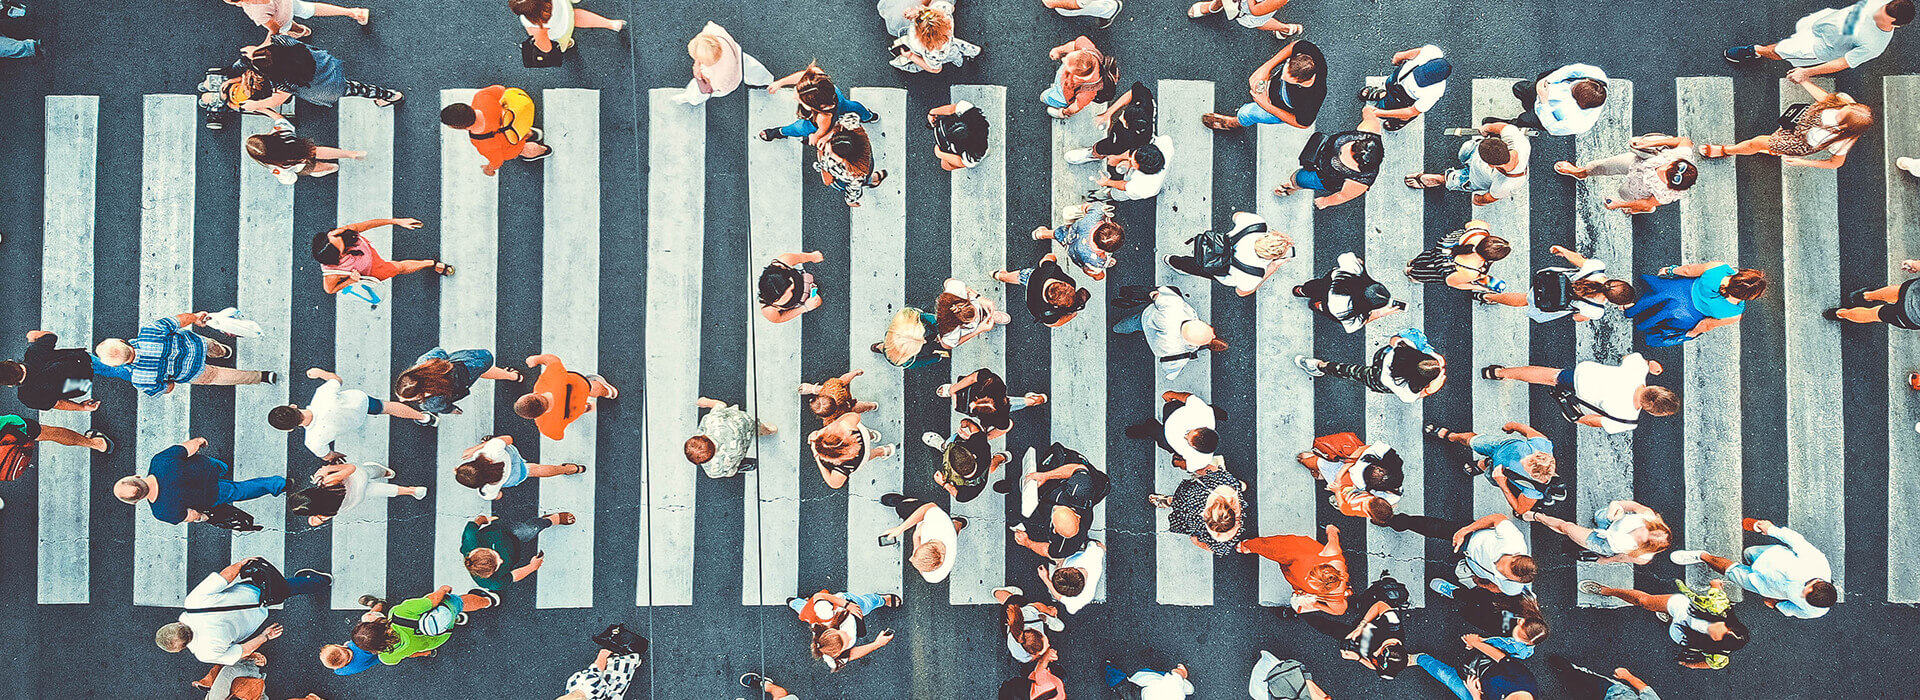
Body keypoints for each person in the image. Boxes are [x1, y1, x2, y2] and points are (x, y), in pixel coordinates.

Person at [156, 557, 330, 664]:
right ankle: (322, 581)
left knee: (286, 591)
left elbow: (243, 651)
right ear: (177, 623)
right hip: (251, 591)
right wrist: (241, 563)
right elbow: (224, 577)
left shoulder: (205, 653)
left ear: (181, 648)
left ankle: (316, 582)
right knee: (287, 587)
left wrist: (266, 635)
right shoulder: (193, 603)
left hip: (258, 614)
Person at [1670, 517, 1836, 619]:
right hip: (1769, 557)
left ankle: (1701, 556)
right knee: (1748, 553)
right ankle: (1740, 559)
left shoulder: (1815, 610)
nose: (1800, 593)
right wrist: (1771, 529)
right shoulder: (1817, 563)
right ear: (1819, 581)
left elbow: (1792, 610)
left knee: (1730, 571)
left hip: (1761, 585)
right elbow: (1797, 541)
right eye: (1805, 589)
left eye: (1803, 596)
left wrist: (1777, 605)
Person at [1704, 75, 1871, 169]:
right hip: (1796, 123)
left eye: (1841, 115)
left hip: (1798, 142)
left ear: (1846, 126)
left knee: (1756, 143)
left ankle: (1726, 150)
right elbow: (1826, 100)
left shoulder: (1843, 141)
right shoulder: (1845, 103)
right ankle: (1772, 150)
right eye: (1843, 108)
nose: (1838, 110)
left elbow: (1835, 163)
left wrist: (1802, 162)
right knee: (1769, 145)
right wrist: (1805, 81)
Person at [1483, 355, 1679, 433]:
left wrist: (1648, 364)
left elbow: (1627, 357)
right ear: (1654, 411)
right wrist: (1577, 419)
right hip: (1583, 394)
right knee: (1553, 381)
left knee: (1551, 375)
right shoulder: (1628, 421)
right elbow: (1593, 420)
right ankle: (1500, 373)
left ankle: (1499, 372)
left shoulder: (1637, 370)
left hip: (1584, 373)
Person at [1579, 579, 1748, 669]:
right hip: (1684, 609)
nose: (1720, 627)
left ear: (1717, 642)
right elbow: (1716, 587)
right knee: (1643, 601)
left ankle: (1667, 616)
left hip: (1680, 632)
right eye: (1726, 626)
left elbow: (1711, 664)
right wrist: (1716, 584)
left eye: (1721, 633)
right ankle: (1606, 591)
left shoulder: (1720, 654)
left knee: (1669, 622)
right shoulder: (1721, 609)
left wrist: (1691, 665)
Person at [94, 311, 277, 395]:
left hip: (193, 372)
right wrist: (196, 317)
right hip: (195, 345)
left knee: (221, 376)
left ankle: (263, 377)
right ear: (121, 341)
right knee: (211, 346)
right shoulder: (149, 331)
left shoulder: (140, 380)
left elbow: (169, 388)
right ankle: (224, 352)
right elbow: (180, 321)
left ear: (120, 365)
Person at [269, 367, 432, 461]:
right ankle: (424, 417)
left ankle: (423, 418)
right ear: (293, 406)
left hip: (354, 422)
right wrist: (319, 373)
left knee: (384, 409)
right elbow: (336, 379)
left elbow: (328, 456)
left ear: (290, 429)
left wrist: (336, 456)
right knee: (386, 407)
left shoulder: (312, 442)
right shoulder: (321, 395)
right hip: (360, 402)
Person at [115, 437, 286, 525]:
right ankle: (224, 469)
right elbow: (189, 447)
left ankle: (277, 484)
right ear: (136, 476)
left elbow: (193, 515)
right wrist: (199, 441)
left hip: (212, 495)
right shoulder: (159, 461)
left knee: (240, 490)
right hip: (207, 468)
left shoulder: (162, 512)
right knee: (220, 467)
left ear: (136, 502)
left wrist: (204, 517)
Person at [1724, 0, 1912, 76]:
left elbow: (1842, 63)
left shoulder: (1875, 45)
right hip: (1823, 21)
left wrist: (1807, 72)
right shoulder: (1883, 2)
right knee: (1798, 30)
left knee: (1780, 50)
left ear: (1896, 25)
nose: (1877, 12)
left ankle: (1757, 51)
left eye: (1882, 16)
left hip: (1819, 47)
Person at [1425, 422, 1562, 516]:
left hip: (1502, 473)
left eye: (1524, 464)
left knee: (1490, 472)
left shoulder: (1535, 490)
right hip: (1500, 446)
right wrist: (1513, 426)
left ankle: (1483, 464)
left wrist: (1503, 484)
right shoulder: (1541, 446)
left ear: (1533, 475)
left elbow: (1520, 509)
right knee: (1472, 440)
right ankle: (1451, 436)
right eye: (1528, 457)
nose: (1522, 459)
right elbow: (1527, 431)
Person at [1293, 572, 1411, 680]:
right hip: (1368, 619)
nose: (1374, 654)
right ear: (1394, 644)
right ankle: (1350, 601)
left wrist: (1357, 658)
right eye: (1379, 652)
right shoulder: (1394, 625)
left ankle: (1302, 614)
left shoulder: (1387, 667)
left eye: (1377, 658)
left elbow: (1375, 666)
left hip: (1359, 639)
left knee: (1328, 628)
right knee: (1362, 603)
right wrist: (1361, 626)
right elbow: (1380, 605)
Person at [236, 35, 401, 112]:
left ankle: (390, 96)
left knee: (354, 89)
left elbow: (277, 99)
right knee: (352, 86)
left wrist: (255, 105)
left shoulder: (282, 82)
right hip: (326, 65)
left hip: (326, 87)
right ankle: (388, 95)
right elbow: (273, 42)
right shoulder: (283, 43)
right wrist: (257, 52)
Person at [1387, 512, 1536, 596]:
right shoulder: (1513, 540)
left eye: (1504, 574)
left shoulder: (1513, 587)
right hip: (1470, 537)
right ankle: (1398, 521)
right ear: (1516, 555)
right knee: (1435, 528)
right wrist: (1465, 530)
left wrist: (1482, 584)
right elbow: (1497, 519)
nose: (1498, 568)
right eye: (1504, 565)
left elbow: (1499, 588)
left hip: (1471, 563)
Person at [1476, 245, 1634, 323]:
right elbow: (1577, 318)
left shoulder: (1597, 267)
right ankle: (1489, 297)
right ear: (1613, 302)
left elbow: (1578, 260)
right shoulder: (1596, 311)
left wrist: (1563, 251)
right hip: (1551, 300)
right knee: (1524, 300)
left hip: (1551, 280)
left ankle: (1488, 295)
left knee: (1525, 297)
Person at [355, 585, 501, 666]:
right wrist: (442, 590)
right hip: (438, 615)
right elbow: (433, 601)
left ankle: (455, 620)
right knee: (458, 603)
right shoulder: (399, 613)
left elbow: (410, 655)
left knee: (445, 621)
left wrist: (426, 653)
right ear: (377, 624)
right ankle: (489, 601)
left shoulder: (386, 658)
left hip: (438, 638)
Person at [1011, 443, 1112, 560]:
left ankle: (1015, 488)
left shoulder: (1067, 546)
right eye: (1057, 509)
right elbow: (1078, 468)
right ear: (1075, 514)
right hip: (1087, 483)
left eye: (1054, 526)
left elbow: (1050, 551)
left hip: (1061, 492)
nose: (1056, 507)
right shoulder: (1079, 490)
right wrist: (1046, 476)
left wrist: (1028, 543)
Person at [1627, 262, 1766, 346]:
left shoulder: (1719, 268)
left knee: (1657, 297)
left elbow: (1688, 270)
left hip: (1677, 289)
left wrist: (1670, 270)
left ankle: (1634, 307)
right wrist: (1691, 334)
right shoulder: (1735, 313)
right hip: (1684, 314)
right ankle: (1645, 323)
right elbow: (1707, 324)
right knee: (1668, 321)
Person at [1554, 134, 1699, 214]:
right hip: (1638, 163)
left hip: (1641, 187)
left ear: (1669, 184)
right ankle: (1580, 172)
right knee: (1604, 166)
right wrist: (1648, 144)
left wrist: (1620, 204)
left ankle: (1644, 211)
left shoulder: (1667, 193)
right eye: (1668, 166)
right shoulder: (1682, 155)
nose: (1662, 168)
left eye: (1664, 175)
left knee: (1623, 192)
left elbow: (1646, 201)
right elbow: (1684, 141)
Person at [1295, 327, 1446, 403]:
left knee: (1352, 371)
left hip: (1383, 357)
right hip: (1378, 379)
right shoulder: (1408, 390)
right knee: (1352, 372)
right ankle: (1319, 366)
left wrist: (1429, 353)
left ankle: (1319, 365)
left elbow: (1394, 340)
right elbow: (1417, 395)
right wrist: (1431, 390)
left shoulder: (1406, 348)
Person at [1202, 40, 1326, 130]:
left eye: (1287, 79)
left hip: (1279, 108)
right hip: (1275, 95)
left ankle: (1232, 123)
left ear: (1301, 83)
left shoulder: (1314, 97)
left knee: (1247, 112)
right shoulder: (1310, 54)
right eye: (1284, 71)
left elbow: (1302, 124)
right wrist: (1266, 68)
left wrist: (1266, 105)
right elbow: (1295, 45)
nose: (1281, 78)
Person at [311, 217, 450, 298]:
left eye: (340, 237)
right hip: (371, 269)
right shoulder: (332, 273)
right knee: (398, 267)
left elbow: (368, 224)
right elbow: (329, 290)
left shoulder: (338, 234)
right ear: (338, 257)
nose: (344, 239)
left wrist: (396, 221)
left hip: (366, 252)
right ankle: (430, 263)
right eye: (343, 249)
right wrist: (350, 281)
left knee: (396, 266)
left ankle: (430, 264)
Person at [1276, 107, 1385, 209]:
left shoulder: (1361, 181)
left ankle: (1293, 187)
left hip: (1323, 177)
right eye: (1354, 145)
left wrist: (1325, 202)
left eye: (1353, 156)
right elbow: (1368, 111)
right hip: (1320, 151)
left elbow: (1343, 196)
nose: (1344, 151)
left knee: (1299, 178)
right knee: (1300, 173)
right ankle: (1292, 186)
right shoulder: (1370, 131)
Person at [1167, 211, 1295, 297]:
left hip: (1217, 245)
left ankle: (1173, 261)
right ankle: (1177, 263)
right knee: (1201, 268)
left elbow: (1236, 215)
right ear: (1273, 257)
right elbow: (1242, 292)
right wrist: (1273, 267)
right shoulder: (1254, 275)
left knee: (1194, 260)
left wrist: (1278, 236)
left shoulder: (1256, 224)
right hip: (1221, 268)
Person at [1113, 285, 1226, 380]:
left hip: (1146, 318)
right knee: (1135, 325)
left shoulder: (1175, 308)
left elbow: (1157, 295)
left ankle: (1117, 328)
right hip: (1154, 337)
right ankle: (1118, 329)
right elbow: (1170, 368)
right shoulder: (1178, 350)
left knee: (1131, 324)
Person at [1407, 122, 1529, 206]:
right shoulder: (1520, 143)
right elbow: (1503, 128)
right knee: (1466, 150)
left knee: (1459, 180)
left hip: (1479, 177)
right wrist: (1487, 128)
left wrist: (1478, 199)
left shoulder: (1506, 184)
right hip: (1474, 157)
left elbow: (1487, 198)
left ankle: (1441, 179)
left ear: (1491, 165)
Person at [440, 85, 549, 177]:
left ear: (460, 127)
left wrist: (489, 169)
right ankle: (531, 133)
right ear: (469, 107)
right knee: (520, 131)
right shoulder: (481, 97)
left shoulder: (481, 142)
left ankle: (544, 150)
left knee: (526, 149)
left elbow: (497, 160)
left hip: (512, 144)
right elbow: (501, 89)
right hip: (513, 121)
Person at [1240, 525, 1350, 615]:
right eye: (1310, 576)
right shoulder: (1335, 594)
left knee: (1277, 549)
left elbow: (1333, 539)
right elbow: (1339, 610)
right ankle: (1250, 546)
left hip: (1301, 563)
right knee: (1276, 546)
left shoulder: (1333, 554)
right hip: (1302, 553)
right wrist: (1315, 604)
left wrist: (1331, 529)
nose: (1307, 577)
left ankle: (1249, 546)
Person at [759, 63, 880, 144]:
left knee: (798, 127)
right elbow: (803, 76)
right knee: (851, 106)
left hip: (818, 119)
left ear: (820, 107)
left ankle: (780, 132)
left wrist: (815, 137)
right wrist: (780, 83)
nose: (794, 97)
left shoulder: (823, 117)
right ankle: (868, 116)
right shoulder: (817, 77)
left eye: (801, 100)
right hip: (836, 96)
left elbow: (822, 130)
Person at [1427, 577, 1550, 656]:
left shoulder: (1523, 649)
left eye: (1524, 640)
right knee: (1472, 597)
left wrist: (1479, 642)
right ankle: (1454, 592)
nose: (1517, 639)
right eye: (1519, 635)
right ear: (1522, 621)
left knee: (1470, 614)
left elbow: (1499, 648)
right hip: (1495, 602)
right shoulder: (1525, 601)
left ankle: (1463, 597)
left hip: (1491, 623)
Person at [1299, 433, 1403, 524]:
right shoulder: (1391, 459)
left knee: (1306, 459)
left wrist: (1337, 489)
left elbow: (1344, 508)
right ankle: (1321, 470)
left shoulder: (1362, 499)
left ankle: (1317, 466)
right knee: (1318, 462)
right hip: (1349, 464)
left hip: (1347, 484)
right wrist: (1341, 472)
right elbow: (1363, 449)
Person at [394, 347, 524, 420]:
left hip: (465, 380)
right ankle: (513, 376)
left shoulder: (430, 402)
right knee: (481, 370)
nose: (400, 400)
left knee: (480, 373)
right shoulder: (425, 362)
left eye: (408, 398)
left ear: (421, 393)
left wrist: (453, 410)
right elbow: (440, 352)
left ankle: (512, 376)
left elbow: (444, 407)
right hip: (469, 362)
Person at [1524, 501, 1670, 565]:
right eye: (1644, 527)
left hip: (1604, 541)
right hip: (1611, 520)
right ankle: (1599, 518)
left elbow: (1621, 557)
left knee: (1567, 528)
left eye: (1640, 536)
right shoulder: (1647, 516)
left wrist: (1605, 560)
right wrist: (1616, 507)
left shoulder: (1642, 558)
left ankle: (1538, 516)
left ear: (1643, 546)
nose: (1637, 530)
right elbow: (1630, 505)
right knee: (1599, 515)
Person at [788, 590, 901, 672]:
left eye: (842, 633)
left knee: (867, 604)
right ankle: (793, 603)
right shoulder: (832, 656)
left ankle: (882, 600)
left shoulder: (825, 614)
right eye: (846, 641)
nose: (848, 634)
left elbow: (819, 596)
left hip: (849, 606)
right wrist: (877, 644)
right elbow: (851, 654)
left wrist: (847, 605)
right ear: (838, 652)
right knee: (804, 610)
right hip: (855, 619)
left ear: (832, 631)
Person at [462, 512, 576, 592]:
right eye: (498, 565)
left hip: (505, 531)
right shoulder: (491, 583)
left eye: (496, 556)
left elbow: (477, 521)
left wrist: (485, 519)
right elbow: (514, 575)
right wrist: (532, 567)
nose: (501, 560)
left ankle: (550, 519)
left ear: (483, 549)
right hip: (513, 554)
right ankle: (543, 521)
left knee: (528, 531)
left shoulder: (470, 539)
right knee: (527, 534)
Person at [289, 462, 426, 527]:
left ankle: (412, 491)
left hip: (356, 497)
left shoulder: (324, 512)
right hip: (358, 479)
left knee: (379, 490)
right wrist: (328, 469)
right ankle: (386, 473)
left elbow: (313, 522)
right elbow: (350, 468)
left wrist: (313, 517)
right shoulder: (328, 483)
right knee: (369, 470)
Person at [517, 353, 618, 440]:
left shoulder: (546, 427)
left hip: (574, 410)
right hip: (581, 386)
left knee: (576, 408)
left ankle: (586, 407)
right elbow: (553, 360)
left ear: (537, 416)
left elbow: (559, 436)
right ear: (534, 394)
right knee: (592, 387)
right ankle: (610, 392)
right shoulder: (548, 381)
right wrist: (535, 359)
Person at [1296, 253, 1405, 333]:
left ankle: (1302, 291)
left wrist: (1359, 262)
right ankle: (1315, 305)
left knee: (1314, 286)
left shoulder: (1354, 273)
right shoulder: (1347, 309)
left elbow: (1344, 257)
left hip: (1331, 284)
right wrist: (1380, 313)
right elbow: (1351, 328)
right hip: (1328, 305)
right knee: (1320, 306)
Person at [1151, 466, 1247, 556]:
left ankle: (1170, 501)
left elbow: (1206, 468)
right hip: (1198, 497)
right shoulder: (1224, 542)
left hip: (1197, 497)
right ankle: (1169, 501)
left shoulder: (1225, 482)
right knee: (1182, 501)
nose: (1202, 513)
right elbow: (1198, 541)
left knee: (1181, 502)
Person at [455, 435, 584, 500]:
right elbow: (508, 439)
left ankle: (568, 469)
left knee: (535, 471)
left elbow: (498, 495)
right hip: (511, 458)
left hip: (514, 475)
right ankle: (570, 468)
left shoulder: (487, 490)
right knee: (498, 443)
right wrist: (475, 449)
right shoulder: (488, 453)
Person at [675, 22, 774, 106]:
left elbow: (707, 90)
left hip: (731, 81)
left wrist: (698, 77)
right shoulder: (715, 32)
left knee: (696, 92)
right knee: (752, 68)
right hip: (736, 55)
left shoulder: (710, 73)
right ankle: (766, 79)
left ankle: (689, 99)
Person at [3, 330, 102, 413]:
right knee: (111, 365)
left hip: (81, 386)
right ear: (11, 361)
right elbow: (51, 336)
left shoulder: (26, 397)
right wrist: (32, 336)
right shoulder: (34, 352)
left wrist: (82, 407)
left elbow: (58, 403)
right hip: (83, 361)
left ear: (10, 385)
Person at [1124, 390, 1223, 473]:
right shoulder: (1204, 412)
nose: (1185, 436)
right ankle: (1218, 412)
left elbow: (1185, 465)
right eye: (1189, 432)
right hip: (1173, 411)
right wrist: (1171, 394)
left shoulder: (1201, 461)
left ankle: (1144, 429)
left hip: (1166, 438)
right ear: (1203, 427)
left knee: (1151, 430)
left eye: (1188, 440)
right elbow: (1188, 397)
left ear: (1197, 449)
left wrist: (1177, 462)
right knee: (1203, 407)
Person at [1496, 64, 1608, 137]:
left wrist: (1544, 102)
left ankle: (1505, 126)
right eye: (1573, 86)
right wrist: (1547, 81)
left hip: (1543, 114)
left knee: (1523, 120)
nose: (1569, 88)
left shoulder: (1579, 123)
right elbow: (1568, 70)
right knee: (1518, 88)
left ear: (1582, 105)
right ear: (1588, 80)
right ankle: (1528, 105)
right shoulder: (1597, 75)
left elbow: (1552, 127)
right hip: (1544, 87)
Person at [1405, 221, 1513, 294]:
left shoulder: (1480, 230)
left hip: (1442, 251)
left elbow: (1469, 224)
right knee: (1427, 274)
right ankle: (1412, 273)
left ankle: (1414, 263)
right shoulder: (1472, 271)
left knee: (1427, 256)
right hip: (1444, 267)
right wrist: (1478, 287)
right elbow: (1452, 282)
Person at [1362, 45, 1450, 132]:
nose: (1416, 78)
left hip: (1404, 97)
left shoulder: (1435, 93)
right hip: (1397, 79)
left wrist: (1379, 113)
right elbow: (1413, 53)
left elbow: (1411, 111)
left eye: (1422, 80)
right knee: (1388, 83)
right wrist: (1399, 56)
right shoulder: (1433, 52)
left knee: (1385, 107)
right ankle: (1383, 95)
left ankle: (1401, 121)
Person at [1065, 81, 1156, 165]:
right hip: (1130, 133)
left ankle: (1094, 154)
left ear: (1128, 126)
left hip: (1123, 142)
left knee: (1104, 147)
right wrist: (1108, 113)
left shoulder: (1129, 139)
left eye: (1124, 120)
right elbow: (1132, 93)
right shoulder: (1145, 100)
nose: (1120, 118)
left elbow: (1126, 149)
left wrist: (1117, 157)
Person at [685, 396, 776, 479]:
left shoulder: (713, 470)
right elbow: (721, 405)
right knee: (752, 426)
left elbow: (728, 473)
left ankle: (743, 465)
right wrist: (706, 402)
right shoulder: (712, 422)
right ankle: (766, 430)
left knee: (731, 470)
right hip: (744, 425)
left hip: (739, 450)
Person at [939, 368, 1044, 441]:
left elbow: (1008, 426)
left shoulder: (998, 416)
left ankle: (1034, 400)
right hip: (1002, 404)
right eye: (976, 400)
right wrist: (954, 389)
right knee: (1010, 403)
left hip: (1001, 407)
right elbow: (972, 378)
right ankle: (1036, 400)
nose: (971, 405)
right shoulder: (992, 383)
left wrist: (980, 437)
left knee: (1010, 404)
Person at [245, 121, 364, 184]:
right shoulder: (280, 133)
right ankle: (351, 154)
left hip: (301, 165)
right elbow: (282, 122)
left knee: (318, 167)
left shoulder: (275, 166)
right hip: (302, 148)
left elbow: (290, 179)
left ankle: (330, 167)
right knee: (319, 151)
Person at [1032, 200, 1124, 281]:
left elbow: (1086, 206)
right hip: (1075, 254)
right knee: (1099, 271)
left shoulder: (1095, 216)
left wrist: (1088, 210)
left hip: (1070, 235)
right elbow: (1095, 275)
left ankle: (1040, 234)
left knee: (1058, 233)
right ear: (1107, 251)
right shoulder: (1097, 260)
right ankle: (1107, 261)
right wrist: (1095, 272)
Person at [881, 0, 981, 73]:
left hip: (941, 53)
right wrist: (923, 14)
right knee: (954, 49)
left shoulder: (926, 48)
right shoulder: (942, 8)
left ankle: (958, 59)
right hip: (948, 41)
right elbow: (951, 8)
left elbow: (936, 69)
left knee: (949, 55)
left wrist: (911, 56)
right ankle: (970, 53)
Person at [921, 419, 1007, 503]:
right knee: (990, 465)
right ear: (973, 456)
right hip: (984, 460)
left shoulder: (969, 491)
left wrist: (944, 484)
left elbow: (959, 496)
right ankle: (1002, 457)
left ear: (953, 469)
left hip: (979, 464)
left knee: (951, 442)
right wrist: (968, 423)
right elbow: (977, 431)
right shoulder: (980, 445)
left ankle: (944, 447)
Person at [996, 253, 1091, 327]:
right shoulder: (1046, 312)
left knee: (1018, 276)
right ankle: (1000, 276)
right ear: (1054, 304)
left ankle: (999, 275)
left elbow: (1047, 258)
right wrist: (1072, 315)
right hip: (1031, 298)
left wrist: (1052, 256)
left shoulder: (1051, 269)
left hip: (1032, 277)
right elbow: (1053, 323)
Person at [814, 114, 889, 208]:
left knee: (845, 185)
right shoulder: (858, 138)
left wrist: (850, 201)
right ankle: (872, 179)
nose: (828, 148)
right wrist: (830, 134)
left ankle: (870, 180)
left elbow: (854, 189)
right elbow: (851, 118)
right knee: (862, 178)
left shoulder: (853, 173)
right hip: (866, 166)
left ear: (843, 159)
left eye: (832, 152)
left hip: (847, 175)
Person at [808, 410, 896, 489]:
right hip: (859, 436)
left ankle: (882, 451)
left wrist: (816, 456)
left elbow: (834, 484)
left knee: (868, 455)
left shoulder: (842, 465)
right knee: (864, 434)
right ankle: (872, 435)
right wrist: (827, 430)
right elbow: (855, 415)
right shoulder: (845, 426)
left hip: (860, 459)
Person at [1412, 646, 1538, 700]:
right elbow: (1502, 659)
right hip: (1484, 675)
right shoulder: (1524, 681)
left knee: (1446, 676)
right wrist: (1476, 643)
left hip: (1478, 693)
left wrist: (1476, 695)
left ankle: (1420, 659)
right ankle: (1419, 659)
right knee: (1447, 677)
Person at [510, 0, 624, 56]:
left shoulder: (532, 24)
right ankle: (611, 24)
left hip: (562, 30)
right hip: (565, 9)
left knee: (563, 42)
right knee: (577, 15)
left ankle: (568, 43)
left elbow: (545, 46)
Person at [1829, 259, 1920, 327]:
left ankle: (1866, 296)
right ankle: (1839, 314)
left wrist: (1914, 264)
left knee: (1899, 292)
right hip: (1911, 315)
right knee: (1874, 314)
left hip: (1913, 291)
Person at [1042, 36, 1111, 119]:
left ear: (1079, 77)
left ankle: (1060, 113)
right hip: (1066, 81)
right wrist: (1059, 50)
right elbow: (1074, 45)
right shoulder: (1086, 49)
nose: (1063, 59)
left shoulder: (1088, 91)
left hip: (1065, 94)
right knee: (1046, 95)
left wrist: (1064, 112)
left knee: (1045, 97)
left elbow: (1077, 106)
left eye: (1067, 67)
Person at [934, 278, 1013, 350]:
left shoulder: (954, 294)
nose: (977, 316)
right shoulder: (951, 331)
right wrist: (978, 330)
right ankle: (986, 319)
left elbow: (948, 282)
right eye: (973, 319)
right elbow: (947, 345)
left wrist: (979, 298)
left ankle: (988, 315)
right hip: (969, 328)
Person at [224, 0, 369, 38]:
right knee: (311, 9)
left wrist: (270, 39)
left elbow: (274, 27)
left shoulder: (255, 11)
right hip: (288, 2)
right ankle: (354, 12)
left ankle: (301, 31)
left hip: (283, 19)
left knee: (288, 28)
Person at [1089, 135, 1172, 202]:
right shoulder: (1165, 142)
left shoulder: (1146, 187)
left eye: (1132, 162)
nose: (1129, 159)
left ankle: (1106, 195)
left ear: (1139, 169)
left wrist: (1107, 182)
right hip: (1139, 174)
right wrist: (1118, 157)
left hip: (1134, 188)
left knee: (1119, 193)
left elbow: (1124, 185)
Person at [994, 586, 1064, 663]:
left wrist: (1049, 611)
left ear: (1038, 632)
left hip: (1012, 614)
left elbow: (1038, 606)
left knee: (1012, 600)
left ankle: (997, 593)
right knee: (1008, 599)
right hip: (1009, 627)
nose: (1049, 645)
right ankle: (998, 593)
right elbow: (1030, 659)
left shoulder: (1028, 614)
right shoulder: (1019, 653)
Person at [1547, 657, 1662, 700]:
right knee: (1584, 677)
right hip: (1612, 690)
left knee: (1576, 691)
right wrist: (1627, 676)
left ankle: (1570, 679)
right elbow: (1644, 689)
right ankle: (1570, 670)